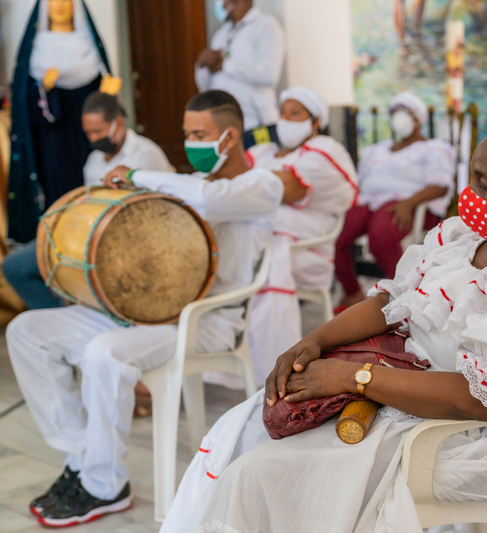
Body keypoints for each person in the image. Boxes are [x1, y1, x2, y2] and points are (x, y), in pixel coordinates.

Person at [158, 110, 487, 533]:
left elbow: (483, 402)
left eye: (485, 185)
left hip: (470, 434)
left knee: (259, 474)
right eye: (470, 177)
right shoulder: (461, 239)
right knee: (243, 430)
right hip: (400, 387)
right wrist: (315, 340)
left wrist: (354, 377)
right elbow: (390, 303)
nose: (469, 195)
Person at [6, 90, 285, 527]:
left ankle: (105, 486)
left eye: (199, 134)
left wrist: (139, 174)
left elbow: (210, 200)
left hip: (207, 322)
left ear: (230, 138)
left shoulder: (262, 184)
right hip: (154, 313)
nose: (190, 141)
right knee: (27, 332)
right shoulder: (193, 180)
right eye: (186, 133)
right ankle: (85, 461)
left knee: (105, 353)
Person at [2, 91, 172, 311]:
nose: (93, 139)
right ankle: (57, 318)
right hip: (85, 232)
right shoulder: (94, 159)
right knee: (15, 267)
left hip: (125, 242)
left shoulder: (146, 154)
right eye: (88, 133)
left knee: (72, 279)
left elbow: (158, 212)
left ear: (118, 123)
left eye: (98, 131)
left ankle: (69, 319)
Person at [245, 87, 357, 378]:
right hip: (261, 239)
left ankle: (267, 369)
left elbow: (287, 187)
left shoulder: (324, 149)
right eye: (282, 113)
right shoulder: (264, 152)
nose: (285, 119)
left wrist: (245, 185)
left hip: (306, 249)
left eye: (295, 114)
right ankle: (234, 356)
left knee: (257, 259)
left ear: (315, 120)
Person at [334, 91, 455, 311]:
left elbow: (440, 185)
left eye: (405, 111)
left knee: (379, 235)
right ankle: (352, 293)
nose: (398, 116)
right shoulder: (378, 150)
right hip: (371, 201)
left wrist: (409, 203)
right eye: (394, 111)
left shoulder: (433, 149)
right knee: (338, 234)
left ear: (418, 118)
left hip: (407, 204)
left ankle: (404, 296)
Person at [8, 0, 114, 243]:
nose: (60, 5)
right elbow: (23, 102)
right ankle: (59, 240)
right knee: (57, 186)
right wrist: (43, 89)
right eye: (53, 0)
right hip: (51, 139)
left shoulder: (88, 46)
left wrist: (107, 94)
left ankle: (93, 236)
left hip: (87, 136)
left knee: (91, 179)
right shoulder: (36, 49)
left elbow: (102, 97)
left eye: (66, 0)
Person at [196, 0, 285, 149]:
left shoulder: (265, 25)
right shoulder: (221, 33)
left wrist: (225, 65)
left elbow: (269, 74)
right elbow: (206, 87)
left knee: (259, 171)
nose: (219, 5)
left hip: (256, 125)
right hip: (225, 126)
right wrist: (201, 66)